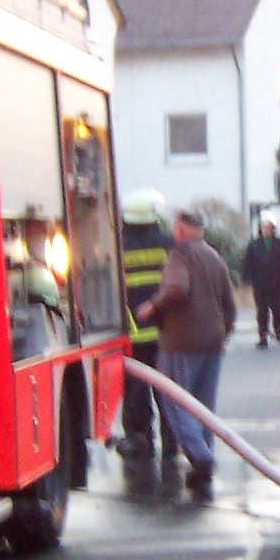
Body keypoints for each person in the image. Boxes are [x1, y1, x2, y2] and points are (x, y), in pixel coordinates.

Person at [146, 208, 238, 497]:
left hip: (181, 343)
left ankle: (201, 457)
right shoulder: (215, 257)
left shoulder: (181, 255)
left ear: (182, 230)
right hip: (212, 343)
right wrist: (222, 332)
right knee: (203, 406)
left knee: (176, 400)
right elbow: (230, 305)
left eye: (175, 227)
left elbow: (177, 287)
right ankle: (204, 456)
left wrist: (153, 306)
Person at [116, 189, 177, 464]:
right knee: (167, 389)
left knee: (135, 391)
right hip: (164, 331)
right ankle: (172, 440)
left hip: (131, 333)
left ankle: (139, 439)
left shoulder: (117, 245)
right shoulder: (168, 243)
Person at [242, 218, 280, 348]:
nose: (266, 230)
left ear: (272, 229)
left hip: (277, 283)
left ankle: (278, 329)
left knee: (277, 309)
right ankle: (262, 336)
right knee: (262, 311)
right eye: (264, 228)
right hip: (260, 283)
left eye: (269, 228)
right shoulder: (254, 245)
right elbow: (247, 263)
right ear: (260, 229)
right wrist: (246, 280)